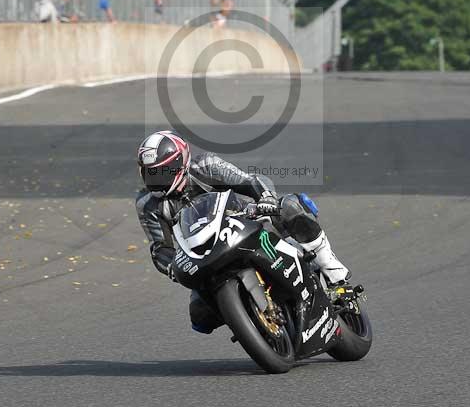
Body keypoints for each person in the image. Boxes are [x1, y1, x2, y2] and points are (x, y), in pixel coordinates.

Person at [135, 130, 350, 334]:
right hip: (203, 256)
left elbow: (249, 181)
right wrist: (173, 266)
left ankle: (335, 275)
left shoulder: (206, 165)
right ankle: (251, 320)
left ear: (179, 163)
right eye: (150, 173)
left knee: (291, 207)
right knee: (199, 316)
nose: (156, 179)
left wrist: (265, 198)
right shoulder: (147, 204)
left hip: (244, 222)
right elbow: (160, 248)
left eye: (162, 171)